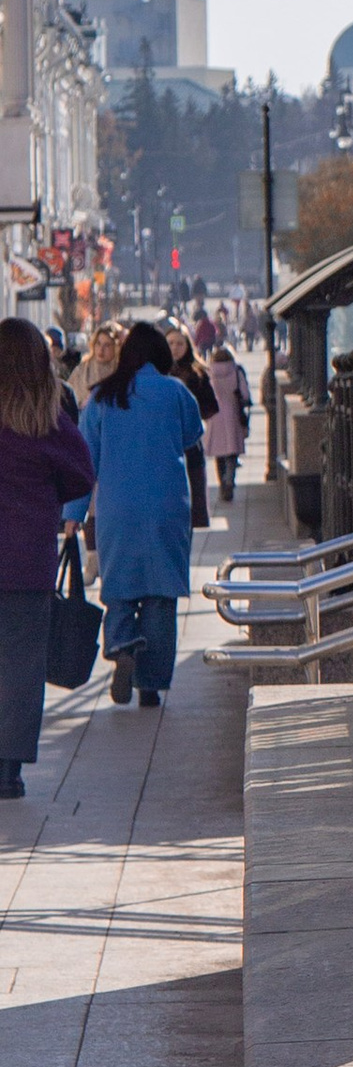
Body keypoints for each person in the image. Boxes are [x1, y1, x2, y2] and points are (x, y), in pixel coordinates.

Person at [80, 322, 204, 709]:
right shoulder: (176, 392)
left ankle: (120, 642)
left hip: (117, 507)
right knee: (161, 594)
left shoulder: (101, 398)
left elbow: (85, 461)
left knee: (119, 586)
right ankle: (149, 684)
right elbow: (192, 434)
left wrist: (72, 512)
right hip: (166, 505)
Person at [0, 319, 94, 797]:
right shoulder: (46, 415)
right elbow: (81, 474)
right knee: (20, 665)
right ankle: (8, 769)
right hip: (25, 559)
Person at [203, 336, 249, 502]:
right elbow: (245, 394)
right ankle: (230, 480)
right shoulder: (236, 372)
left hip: (214, 417)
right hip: (233, 416)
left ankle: (222, 483)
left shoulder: (209, 373)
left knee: (218, 455)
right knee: (231, 453)